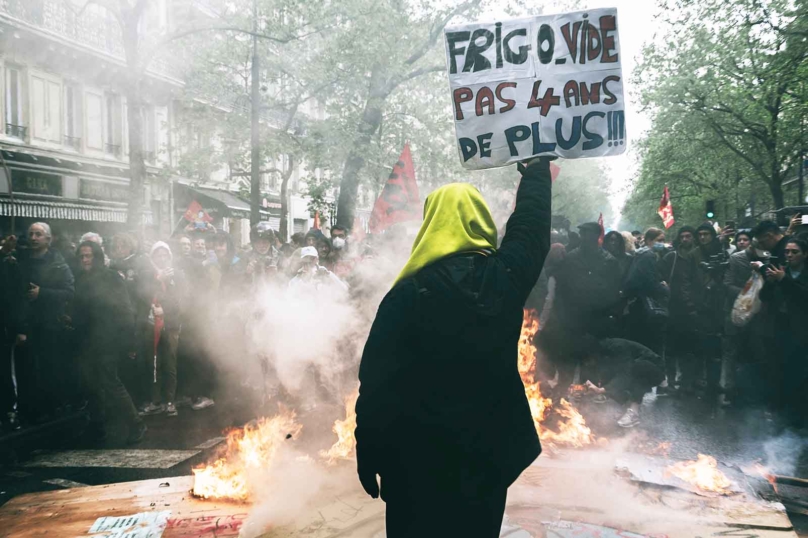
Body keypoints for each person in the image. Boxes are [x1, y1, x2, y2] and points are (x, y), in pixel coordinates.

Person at [355, 157, 553, 538]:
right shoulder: (505, 278)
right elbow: (530, 231)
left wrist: (368, 450)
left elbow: (377, 383)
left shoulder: (405, 295)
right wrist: (536, 172)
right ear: (481, 221)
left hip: (414, 459)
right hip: (486, 454)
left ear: (430, 225)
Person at [73, 241, 146, 444]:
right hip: (87, 341)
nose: (85, 260)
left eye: (88, 256)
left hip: (108, 339)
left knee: (110, 382)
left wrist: (130, 341)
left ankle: (136, 423)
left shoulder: (111, 277)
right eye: (81, 257)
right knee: (91, 383)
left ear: (97, 257)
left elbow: (125, 310)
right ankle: (97, 426)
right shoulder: (80, 279)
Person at [7, 223, 75, 423]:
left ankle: (52, 412)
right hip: (25, 326)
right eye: (31, 234)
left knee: (49, 369)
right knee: (26, 371)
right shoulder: (19, 261)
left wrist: (42, 293)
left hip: (50, 325)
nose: (34, 238)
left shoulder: (58, 263)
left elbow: (68, 292)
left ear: (48, 239)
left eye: (39, 234)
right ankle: (30, 413)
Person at [760, 238, 808, 421]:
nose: (789, 255)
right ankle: (781, 412)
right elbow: (764, 297)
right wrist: (771, 282)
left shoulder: (795, 274)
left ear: (805, 254)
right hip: (780, 328)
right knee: (780, 370)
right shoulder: (781, 271)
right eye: (787, 252)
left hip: (802, 330)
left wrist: (784, 280)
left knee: (800, 373)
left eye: (794, 252)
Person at [139, 242, 186, 417]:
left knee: (170, 363)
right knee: (153, 364)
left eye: (164, 255)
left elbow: (183, 300)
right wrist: (157, 280)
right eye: (158, 255)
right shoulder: (147, 275)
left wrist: (165, 309)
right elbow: (142, 294)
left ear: (170, 257)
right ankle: (155, 400)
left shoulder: (178, 275)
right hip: (151, 325)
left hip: (170, 324)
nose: (161, 258)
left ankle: (170, 401)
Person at [581, 338, 665, 428]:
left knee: (638, 368)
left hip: (655, 371)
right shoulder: (604, 353)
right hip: (634, 370)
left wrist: (601, 390)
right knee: (611, 381)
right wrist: (588, 388)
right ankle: (626, 407)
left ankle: (634, 413)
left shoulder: (618, 347)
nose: (588, 363)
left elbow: (626, 375)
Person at [659, 226, 698, 393]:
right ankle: (670, 381)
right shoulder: (672, 257)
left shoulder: (697, 256)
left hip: (692, 308)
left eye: (688, 236)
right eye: (682, 237)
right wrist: (663, 284)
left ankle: (686, 381)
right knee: (671, 347)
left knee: (688, 347)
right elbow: (658, 273)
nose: (685, 239)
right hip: (673, 306)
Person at [623, 228, 669, 353]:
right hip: (644, 306)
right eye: (659, 240)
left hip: (637, 304)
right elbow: (650, 282)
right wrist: (665, 289)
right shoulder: (648, 255)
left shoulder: (640, 254)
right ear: (649, 240)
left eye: (663, 240)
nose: (662, 243)